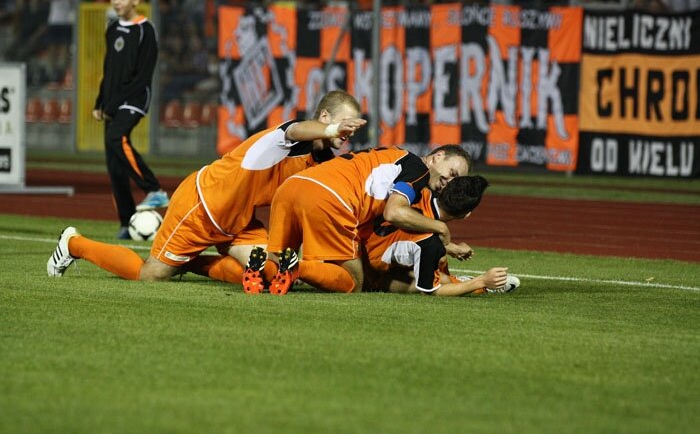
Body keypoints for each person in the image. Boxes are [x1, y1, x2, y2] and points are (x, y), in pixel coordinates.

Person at [47, 91, 366, 283]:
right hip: (202, 205)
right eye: (344, 121)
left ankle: (188, 263)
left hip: (239, 221)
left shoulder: (323, 164)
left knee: (268, 275)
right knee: (151, 275)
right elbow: (296, 130)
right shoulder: (288, 136)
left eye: (352, 124)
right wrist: (331, 129)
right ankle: (74, 244)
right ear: (325, 116)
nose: (349, 129)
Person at [242, 144, 472, 295]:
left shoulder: (392, 154)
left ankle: (263, 266)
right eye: (452, 173)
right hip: (329, 197)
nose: (449, 183)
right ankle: (297, 266)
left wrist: (447, 246)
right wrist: (441, 227)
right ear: (438, 156)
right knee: (353, 282)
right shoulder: (418, 170)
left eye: (456, 181)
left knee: (276, 269)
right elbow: (395, 213)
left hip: (290, 188)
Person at [93, 0, 168, 239]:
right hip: (112, 102)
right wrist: (101, 101)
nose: (117, 1)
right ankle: (126, 223)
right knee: (114, 165)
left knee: (116, 138)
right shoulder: (112, 28)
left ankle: (154, 190)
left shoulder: (146, 30)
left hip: (135, 99)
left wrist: (116, 102)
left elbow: (143, 75)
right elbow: (108, 69)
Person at [361, 175, 520, 296]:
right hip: (366, 273)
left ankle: (452, 279)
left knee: (439, 256)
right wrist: (482, 281)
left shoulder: (419, 191)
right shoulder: (430, 243)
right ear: (466, 214)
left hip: (360, 246)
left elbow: (406, 232)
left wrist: (450, 247)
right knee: (442, 280)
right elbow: (432, 292)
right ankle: (475, 286)